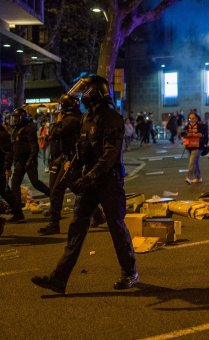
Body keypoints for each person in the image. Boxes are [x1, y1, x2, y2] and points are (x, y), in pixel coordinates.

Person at [31, 75, 138, 294]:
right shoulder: (86, 118)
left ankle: (130, 272)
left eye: (85, 91)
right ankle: (58, 279)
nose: (81, 95)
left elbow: (109, 157)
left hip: (109, 182)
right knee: (76, 230)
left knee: (116, 227)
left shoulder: (112, 119)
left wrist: (85, 179)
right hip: (90, 181)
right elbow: (82, 151)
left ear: (95, 92)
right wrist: (72, 172)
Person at [38, 94, 106, 235]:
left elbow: (54, 133)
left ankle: (54, 224)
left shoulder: (71, 120)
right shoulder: (75, 118)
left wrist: (57, 121)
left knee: (58, 190)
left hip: (71, 160)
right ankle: (98, 215)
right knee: (75, 188)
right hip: (64, 158)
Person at [10, 108, 50, 208]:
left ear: (22, 118)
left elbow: (34, 146)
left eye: (16, 117)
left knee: (35, 183)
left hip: (28, 160)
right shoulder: (15, 129)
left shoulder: (29, 129)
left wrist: (30, 159)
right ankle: (17, 209)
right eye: (14, 117)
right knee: (15, 183)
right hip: (19, 161)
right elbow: (15, 145)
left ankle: (53, 196)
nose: (14, 120)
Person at [0, 115, 25, 223]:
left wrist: (7, 167)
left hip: (0, 167)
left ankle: (18, 214)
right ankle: (18, 214)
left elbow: (8, 153)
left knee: (6, 192)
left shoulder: (2, 134)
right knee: (6, 192)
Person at [181, 111, 208, 184]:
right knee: (195, 163)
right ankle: (198, 178)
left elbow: (202, 135)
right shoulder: (187, 126)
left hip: (198, 147)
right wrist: (187, 134)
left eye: (193, 118)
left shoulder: (200, 126)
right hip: (189, 147)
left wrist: (193, 134)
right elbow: (182, 133)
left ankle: (189, 177)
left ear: (196, 118)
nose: (191, 120)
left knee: (191, 162)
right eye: (190, 118)